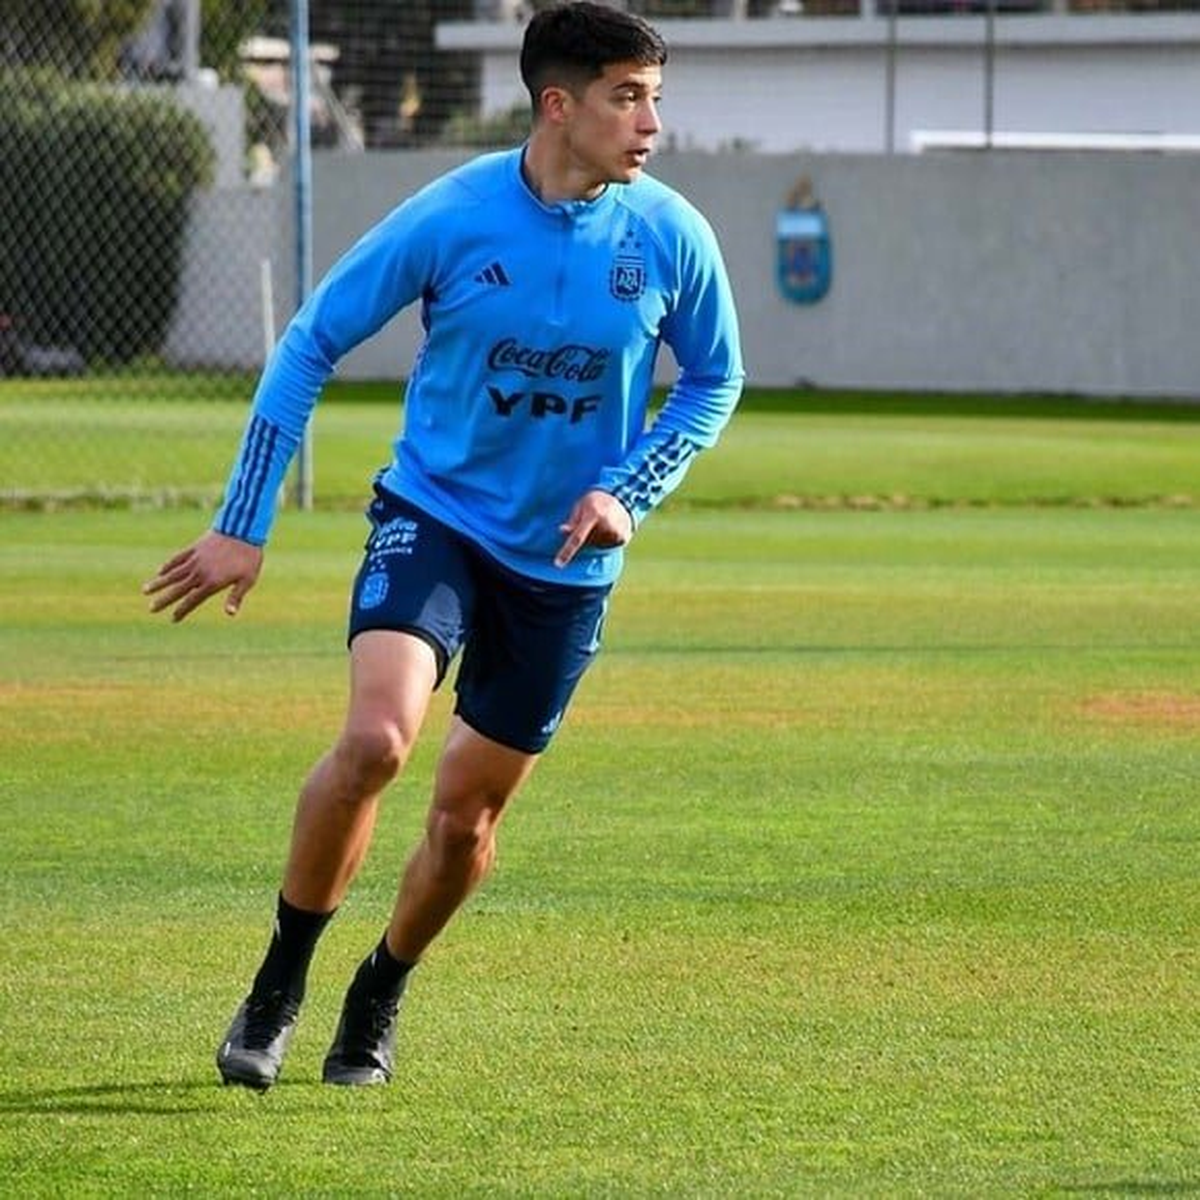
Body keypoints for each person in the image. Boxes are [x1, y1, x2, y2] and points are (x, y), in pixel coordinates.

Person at [143, 0, 743, 1090]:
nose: (650, 123)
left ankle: (380, 987)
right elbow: (310, 342)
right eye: (628, 97)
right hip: (437, 520)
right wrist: (243, 526)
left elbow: (715, 379)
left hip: (565, 564)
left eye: (657, 97)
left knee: (465, 821)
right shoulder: (453, 215)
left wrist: (630, 490)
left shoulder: (670, 235)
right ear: (558, 105)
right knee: (377, 741)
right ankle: (282, 977)